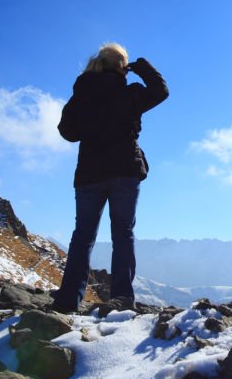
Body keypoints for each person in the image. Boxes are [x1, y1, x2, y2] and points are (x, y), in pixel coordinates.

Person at [52, 43, 168, 313]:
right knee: (123, 234)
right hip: (125, 172)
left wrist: (80, 102)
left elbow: (67, 132)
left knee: (83, 236)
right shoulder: (131, 94)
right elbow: (161, 91)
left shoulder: (82, 94)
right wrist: (142, 66)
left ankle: (69, 299)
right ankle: (122, 297)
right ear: (122, 67)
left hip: (90, 174)